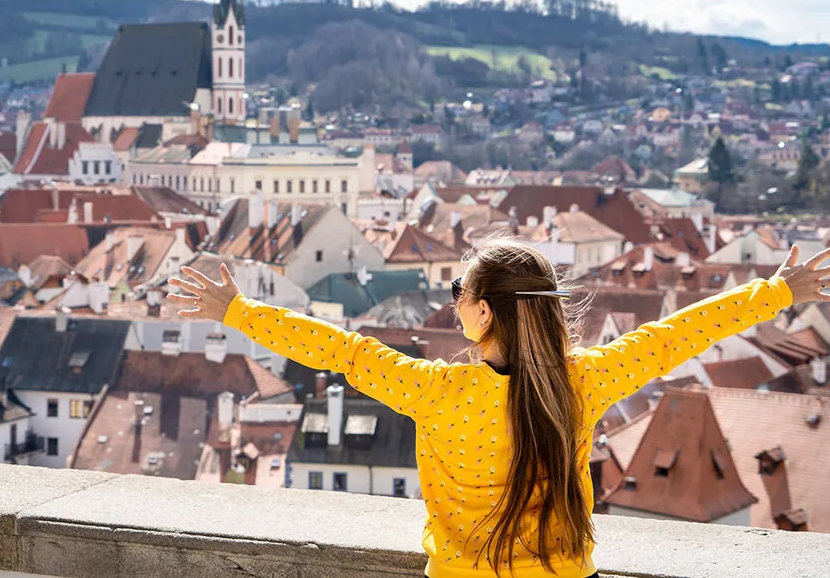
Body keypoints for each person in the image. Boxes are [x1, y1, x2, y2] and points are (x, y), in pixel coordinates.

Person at [168, 237, 830, 578]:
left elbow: (339, 351)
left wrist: (237, 310)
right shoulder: (584, 380)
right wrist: (774, 291)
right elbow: (677, 337)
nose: (452, 299)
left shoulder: (436, 390)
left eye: (459, 289)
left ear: (483, 311)